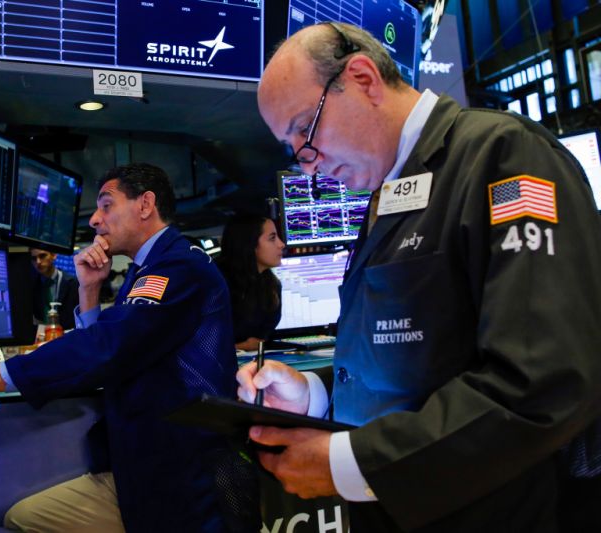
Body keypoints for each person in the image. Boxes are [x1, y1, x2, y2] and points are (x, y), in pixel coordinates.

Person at [236, 21, 601, 532]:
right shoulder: (387, 195)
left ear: (363, 79)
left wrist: (351, 461)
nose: (307, 164)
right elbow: (418, 365)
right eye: (291, 146)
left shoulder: (504, 155)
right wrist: (312, 396)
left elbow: (541, 380)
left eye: (305, 129)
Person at [0, 163, 259, 533]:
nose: (94, 220)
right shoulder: (148, 268)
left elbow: (108, 347)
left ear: (145, 204)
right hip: (154, 463)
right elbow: (116, 349)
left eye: (106, 205)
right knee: (25, 517)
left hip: (187, 472)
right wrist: (89, 289)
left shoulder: (176, 267)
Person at [215, 213, 285, 351]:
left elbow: (262, 338)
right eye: (272, 238)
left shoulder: (271, 286)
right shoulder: (215, 282)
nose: (281, 244)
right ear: (249, 244)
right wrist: (241, 347)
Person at [30, 247, 80, 332]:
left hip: (68, 336)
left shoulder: (73, 283)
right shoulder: (31, 286)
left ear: (54, 255)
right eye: (34, 258)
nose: (38, 262)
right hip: (43, 337)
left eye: (42, 256)